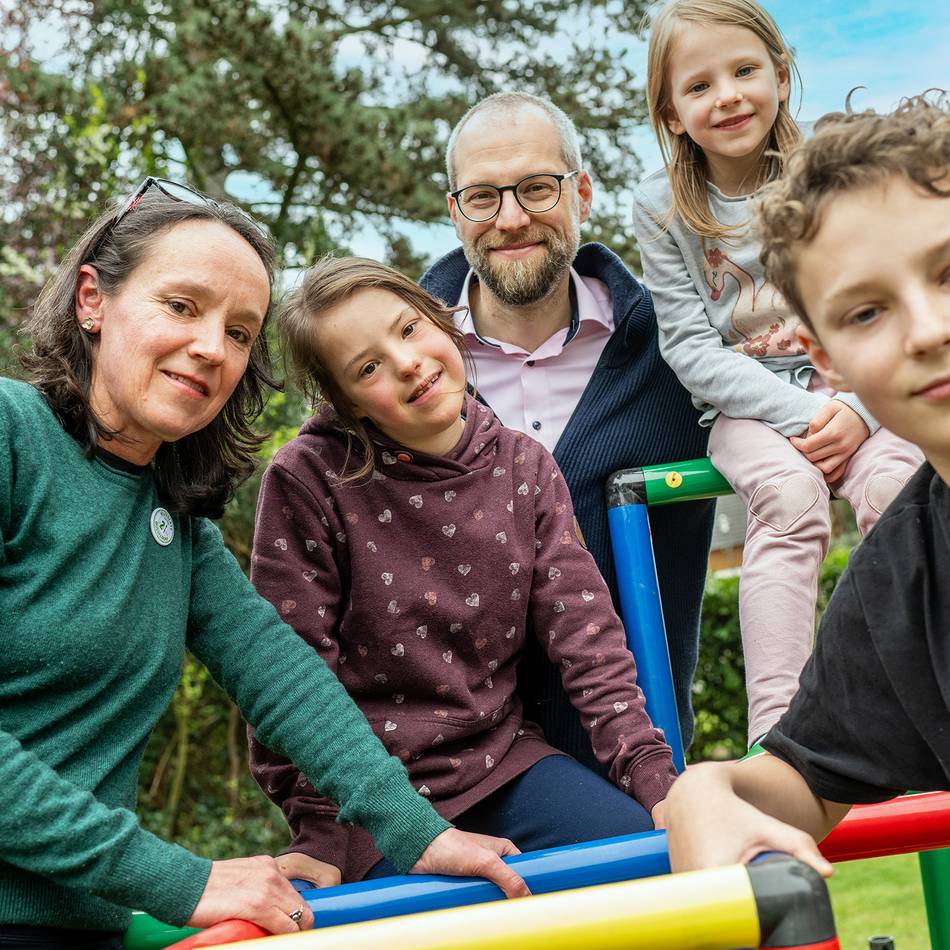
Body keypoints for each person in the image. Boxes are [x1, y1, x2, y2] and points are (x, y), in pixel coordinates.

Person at [0, 179, 529, 950]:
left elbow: (280, 677)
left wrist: (416, 833)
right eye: (182, 306)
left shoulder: (174, 526)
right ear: (93, 300)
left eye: (241, 332)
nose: (213, 347)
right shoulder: (13, 436)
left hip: (74, 929)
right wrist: (184, 880)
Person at [248, 256, 677, 886]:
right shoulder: (308, 480)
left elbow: (589, 640)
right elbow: (289, 674)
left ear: (443, 323)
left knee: (645, 863)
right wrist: (320, 827)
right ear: (344, 404)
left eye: (409, 329)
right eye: (367, 367)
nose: (406, 362)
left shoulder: (523, 468)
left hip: (501, 762)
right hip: (369, 799)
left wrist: (654, 779)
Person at [665, 92, 950, 875]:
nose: (928, 328)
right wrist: (704, 792)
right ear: (825, 364)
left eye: (949, 269)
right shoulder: (902, 578)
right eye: (865, 312)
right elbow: (797, 778)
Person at [632, 0, 923, 745]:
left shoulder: (830, 174)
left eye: (743, 71)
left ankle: (923, 699)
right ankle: (780, 735)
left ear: (781, 76)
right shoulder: (664, 209)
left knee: (899, 487)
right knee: (791, 501)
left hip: (855, 389)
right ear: (670, 110)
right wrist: (802, 418)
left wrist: (858, 405)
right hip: (746, 410)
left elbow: (875, 300)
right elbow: (691, 349)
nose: (726, 95)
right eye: (698, 86)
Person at [421, 91, 714, 764]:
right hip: (450, 783)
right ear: (456, 212)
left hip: (641, 764)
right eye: (484, 197)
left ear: (582, 191)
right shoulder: (393, 368)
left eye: (536, 188)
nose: (512, 218)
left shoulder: (678, 350)